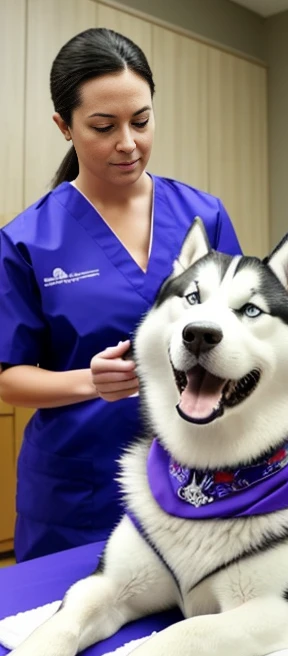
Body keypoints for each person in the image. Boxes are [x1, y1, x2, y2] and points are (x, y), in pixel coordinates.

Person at [0, 28, 241, 562]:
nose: (128, 142)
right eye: (104, 127)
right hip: (79, 489)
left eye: (141, 120)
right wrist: (89, 380)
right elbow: (10, 380)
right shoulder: (28, 240)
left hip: (196, 471)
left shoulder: (204, 215)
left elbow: (243, 332)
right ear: (64, 126)